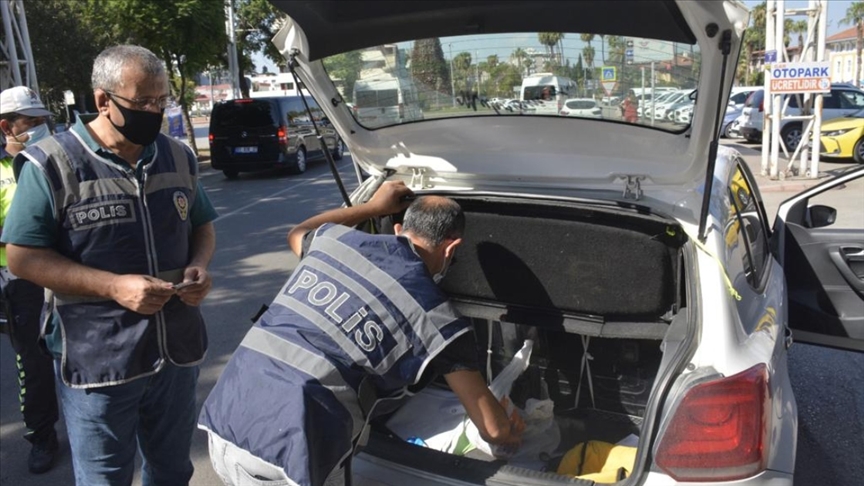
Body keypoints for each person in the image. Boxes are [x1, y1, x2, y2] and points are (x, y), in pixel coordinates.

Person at [199, 182, 524, 486]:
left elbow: (298, 232)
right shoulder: (437, 318)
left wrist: (371, 207)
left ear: (398, 230)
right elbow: (493, 430)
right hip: (289, 453)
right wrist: (511, 433)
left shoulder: (331, 242)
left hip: (226, 418)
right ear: (452, 248)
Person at [0, 45, 218, 485]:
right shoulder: (51, 164)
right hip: (98, 361)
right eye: (143, 102)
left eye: (161, 101)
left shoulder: (177, 155)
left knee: (173, 470)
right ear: (103, 100)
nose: (154, 111)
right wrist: (113, 286)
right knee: (105, 478)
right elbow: (22, 257)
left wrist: (198, 265)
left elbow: (201, 226)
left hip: (175, 351)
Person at [0, 86, 61, 474]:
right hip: (18, 281)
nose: (40, 127)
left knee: (80, 353)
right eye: (31, 122)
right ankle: (42, 435)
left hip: (64, 272)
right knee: (33, 363)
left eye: (42, 120)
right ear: (6, 126)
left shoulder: (50, 158)